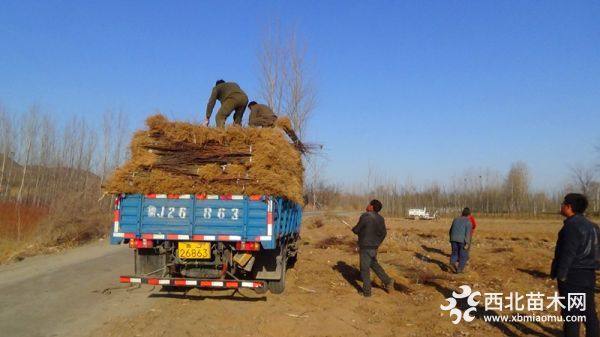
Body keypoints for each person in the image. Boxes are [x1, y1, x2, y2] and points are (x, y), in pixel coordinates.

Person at [551, 193, 600, 337]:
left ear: (569, 207)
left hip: (572, 276)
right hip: (588, 275)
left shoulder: (571, 226)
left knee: (572, 316)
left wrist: (561, 275)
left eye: (563, 203)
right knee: (589, 313)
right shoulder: (594, 227)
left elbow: (568, 253)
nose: (561, 206)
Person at [352, 199, 394, 297]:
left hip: (365, 247)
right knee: (374, 265)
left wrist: (354, 230)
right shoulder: (381, 218)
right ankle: (388, 281)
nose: (367, 205)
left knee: (364, 269)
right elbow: (384, 233)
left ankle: (367, 292)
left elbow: (357, 229)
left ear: (371, 207)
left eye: (369, 204)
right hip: (374, 247)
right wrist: (377, 243)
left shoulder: (365, 216)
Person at [449, 208, 472, 273]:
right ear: (469, 215)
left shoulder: (455, 219)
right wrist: (467, 243)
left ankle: (452, 263)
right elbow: (468, 234)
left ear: (462, 213)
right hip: (462, 240)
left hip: (453, 239)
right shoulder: (468, 222)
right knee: (463, 255)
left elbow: (450, 230)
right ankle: (459, 270)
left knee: (454, 253)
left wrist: (451, 239)